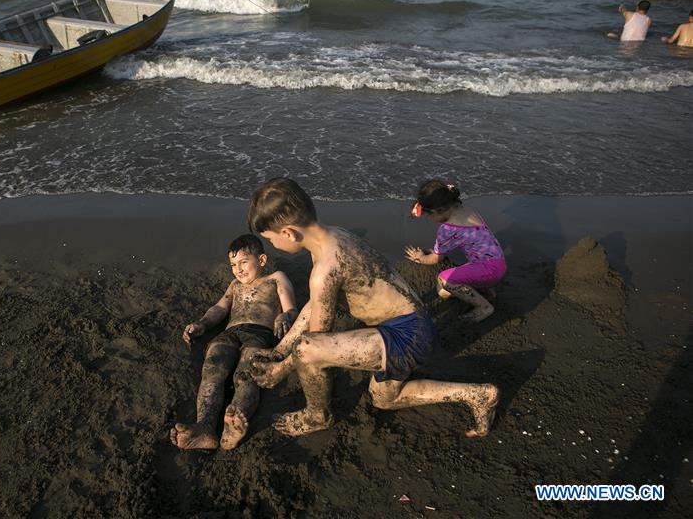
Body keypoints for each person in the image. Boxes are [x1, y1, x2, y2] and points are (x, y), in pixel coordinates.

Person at [247, 177, 498, 438]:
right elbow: (315, 302)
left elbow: (315, 342)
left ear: (288, 233)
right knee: (384, 399)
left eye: (271, 239)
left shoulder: (325, 269)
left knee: (306, 350)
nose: (273, 245)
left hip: (406, 337)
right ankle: (477, 394)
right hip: (415, 324)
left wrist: (282, 367)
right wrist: (279, 350)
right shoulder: (335, 236)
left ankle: (316, 416)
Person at [170, 234, 297, 450]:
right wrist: (202, 324)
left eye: (243, 262)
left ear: (262, 260)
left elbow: (291, 308)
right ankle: (205, 427)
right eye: (233, 264)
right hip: (230, 333)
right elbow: (220, 308)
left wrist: (284, 316)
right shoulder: (234, 285)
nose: (238, 269)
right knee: (212, 368)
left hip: (259, 333)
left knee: (246, 373)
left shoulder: (275, 278)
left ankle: (235, 421)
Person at [405, 180, 506, 322]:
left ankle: (484, 307)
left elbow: (435, 259)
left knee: (444, 283)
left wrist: (420, 257)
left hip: (489, 270)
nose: (430, 218)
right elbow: (464, 239)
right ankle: (486, 290)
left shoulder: (448, 229)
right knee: (447, 286)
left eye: (429, 215)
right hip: (497, 262)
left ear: (437, 211)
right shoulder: (468, 210)